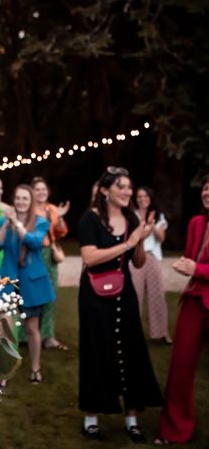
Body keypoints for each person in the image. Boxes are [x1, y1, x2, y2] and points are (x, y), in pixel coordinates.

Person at [78, 166, 162, 442]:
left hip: (123, 293)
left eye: (129, 187)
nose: (128, 192)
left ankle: (132, 418)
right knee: (96, 350)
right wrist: (127, 244)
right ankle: (91, 418)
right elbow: (89, 258)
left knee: (131, 349)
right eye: (121, 187)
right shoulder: (89, 219)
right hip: (93, 295)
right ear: (105, 190)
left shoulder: (131, 217)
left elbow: (138, 262)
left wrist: (140, 240)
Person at [156, 174, 209, 445]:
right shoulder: (197, 222)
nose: (208, 192)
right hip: (195, 298)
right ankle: (174, 429)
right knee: (180, 367)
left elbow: (196, 267)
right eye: (206, 187)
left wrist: (197, 269)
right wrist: (186, 265)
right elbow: (190, 256)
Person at [0, 184, 55, 385]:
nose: (21, 202)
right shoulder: (5, 220)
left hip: (31, 283)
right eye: (18, 198)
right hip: (9, 280)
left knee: (31, 328)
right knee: (7, 329)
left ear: (31, 202)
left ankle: (35, 368)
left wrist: (18, 225)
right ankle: (8, 371)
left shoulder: (41, 222)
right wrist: (6, 224)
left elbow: (34, 242)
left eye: (25, 199)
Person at [21, 176, 70, 351]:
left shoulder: (52, 209)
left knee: (50, 295)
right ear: (32, 192)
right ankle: (25, 335)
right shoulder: (27, 209)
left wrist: (61, 217)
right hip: (32, 254)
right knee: (28, 296)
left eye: (44, 189)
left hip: (48, 254)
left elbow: (60, 232)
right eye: (37, 190)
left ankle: (48, 336)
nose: (41, 192)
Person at [129, 186, 172, 344]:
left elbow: (161, 238)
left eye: (145, 196)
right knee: (135, 296)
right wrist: (143, 223)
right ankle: (133, 333)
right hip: (136, 257)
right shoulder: (131, 215)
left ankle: (161, 333)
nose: (142, 199)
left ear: (150, 198)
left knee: (157, 295)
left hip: (152, 257)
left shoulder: (159, 216)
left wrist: (152, 224)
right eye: (139, 196)